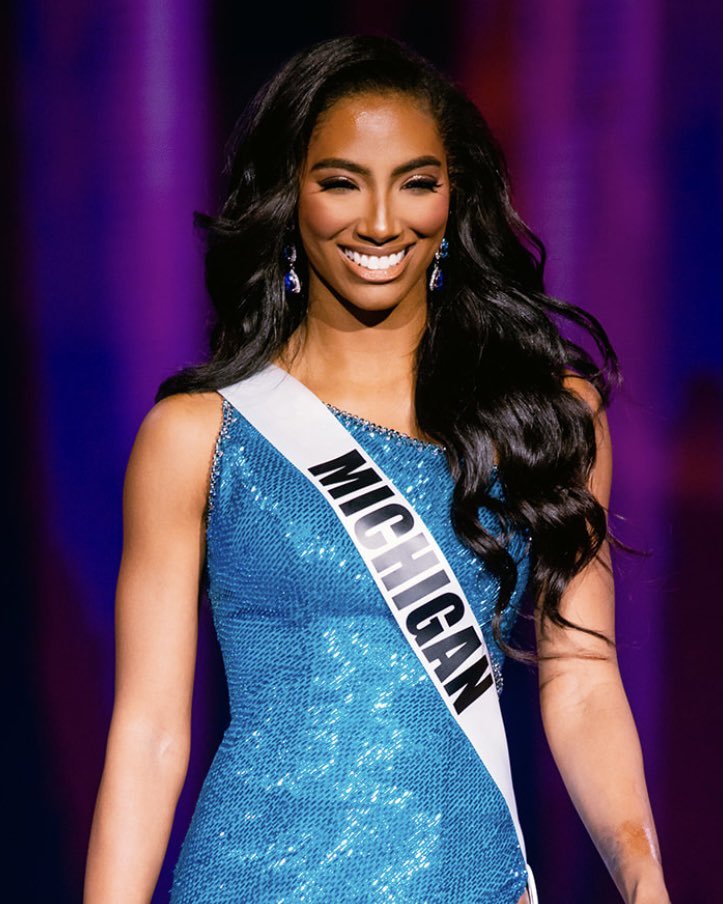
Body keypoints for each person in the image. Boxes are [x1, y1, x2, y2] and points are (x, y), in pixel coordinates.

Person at [84, 35, 670, 904]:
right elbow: (149, 733)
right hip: (251, 883)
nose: (382, 222)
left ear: (452, 197)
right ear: (291, 195)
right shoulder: (198, 436)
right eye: (341, 182)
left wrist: (642, 876)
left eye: (416, 182)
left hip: (466, 878)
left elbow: (581, 680)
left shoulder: (549, 420)